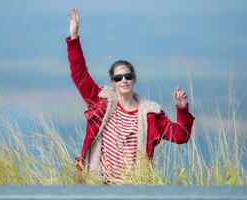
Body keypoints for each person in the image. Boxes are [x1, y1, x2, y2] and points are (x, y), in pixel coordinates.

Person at [66, 6, 195, 184]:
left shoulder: (150, 113)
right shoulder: (101, 103)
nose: (124, 80)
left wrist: (182, 109)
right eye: (118, 77)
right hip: (99, 185)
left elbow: (181, 136)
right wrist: (74, 36)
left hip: (135, 187)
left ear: (134, 79)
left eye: (128, 76)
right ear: (113, 82)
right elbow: (79, 74)